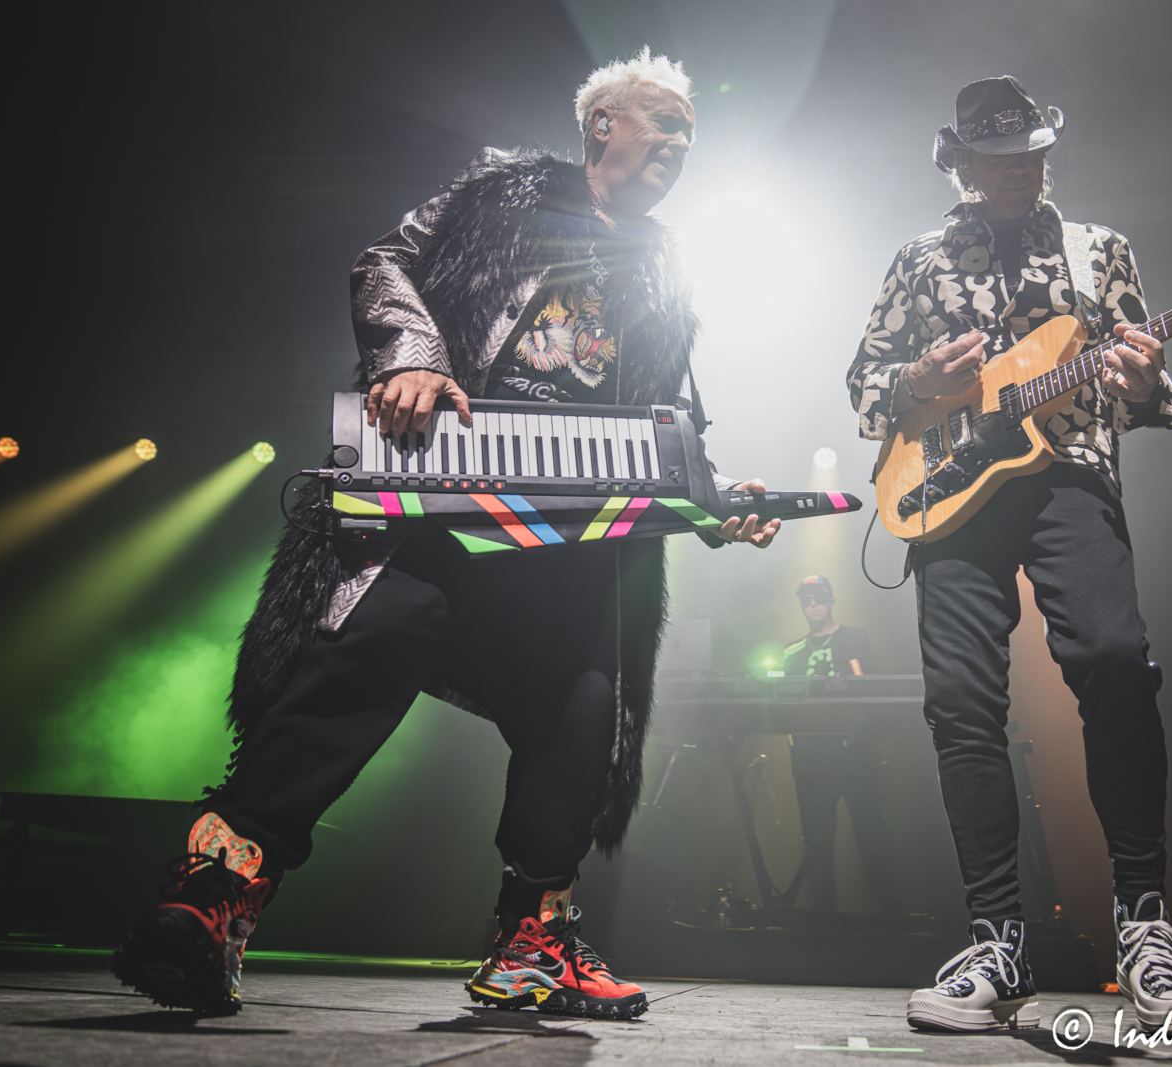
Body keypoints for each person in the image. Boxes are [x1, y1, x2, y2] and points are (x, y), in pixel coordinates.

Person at [113, 48, 780, 1020]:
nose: (680, 144)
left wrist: (713, 500)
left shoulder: (663, 260)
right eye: (664, 122)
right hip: (450, 491)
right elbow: (386, 259)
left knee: (581, 707)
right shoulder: (502, 195)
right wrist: (411, 355)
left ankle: (533, 941)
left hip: (578, 531)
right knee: (375, 639)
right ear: (604, 124)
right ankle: (216, 892)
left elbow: (668, 410)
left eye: (689, 133)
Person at [846, 77, 1172, 1033]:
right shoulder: (919, 259)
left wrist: (1146, 373)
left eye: (1032, 153)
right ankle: (996, 940)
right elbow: (864, 385)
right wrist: (918, 376)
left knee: (1117, 664)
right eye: (997, 157)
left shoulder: (1101, 252)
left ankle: (1146, 928)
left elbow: (1139, 382)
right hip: (950, 490)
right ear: (959, 162)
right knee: (962, 700)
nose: (1018, 170)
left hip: (1070, 475)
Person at [781, 575, 893, 912]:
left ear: (831, 600)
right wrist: (796, 746)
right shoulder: (793, 651)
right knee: (816, 838)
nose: (811, 605)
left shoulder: (855, 639)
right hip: (812, 758)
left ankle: (890, 913)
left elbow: (875, 692)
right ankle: (823, 915)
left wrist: (861, 738)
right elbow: (784, 705)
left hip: (855, 753)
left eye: (817, 598)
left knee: (870, 830)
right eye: (806, 600)